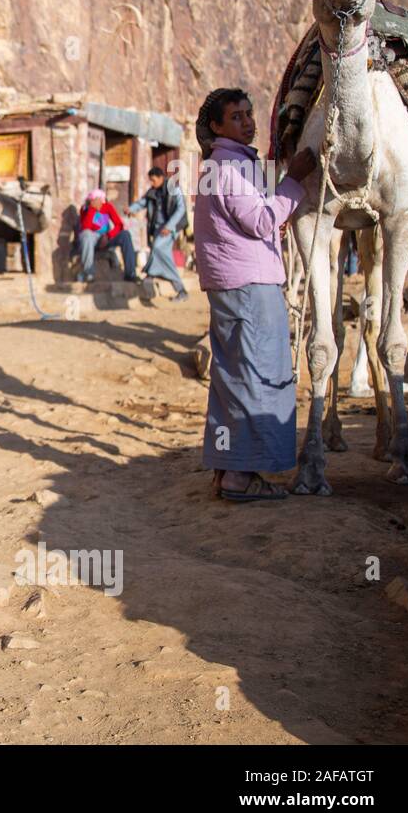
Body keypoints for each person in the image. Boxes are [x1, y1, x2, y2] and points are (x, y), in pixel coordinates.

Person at [193, 87, 317, 502]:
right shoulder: (229, 167)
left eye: (249, 114)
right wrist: (294, 181)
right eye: (236, 117)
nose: (246, 122)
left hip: (232, 281)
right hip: (248, 283)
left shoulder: (224, 164)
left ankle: (227, 468)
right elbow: (262, 222)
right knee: (254, 376)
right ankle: (240, 479)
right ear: (216, 126)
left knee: (231, 378)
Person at [129, 166, 189, 301]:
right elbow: (143, 202)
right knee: (164, 256)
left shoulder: (174, 189)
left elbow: (181, 209)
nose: (152, 183)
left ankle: (150, 274)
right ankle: (180, 290)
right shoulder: (153, 191)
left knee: (156, 248)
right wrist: (131, 209)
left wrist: (169, 226)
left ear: (161, 177)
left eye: (153, 180)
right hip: (157, 229)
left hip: (170, 229)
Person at [76, 189, 137, 282]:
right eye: (95, 200)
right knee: (87, 234)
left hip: (105, 238)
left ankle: (130, 273)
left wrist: (108, 235)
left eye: (99, 200)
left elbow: (119, 225)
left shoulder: (107, 207)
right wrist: (93, 209)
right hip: (91, 240)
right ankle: (88, 273)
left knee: (125, 234)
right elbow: (85, 227)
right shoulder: (85, 209)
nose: (98, 202)